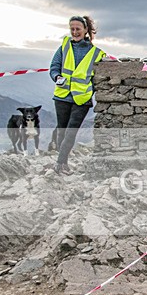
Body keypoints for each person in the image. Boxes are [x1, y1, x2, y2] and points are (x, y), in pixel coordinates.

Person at [49, 15, 105, 175]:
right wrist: (56, 77)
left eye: (78, 29)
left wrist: (91, 90)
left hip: (82, 99)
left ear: (86, 30)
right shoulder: (64, 47)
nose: (74, 32)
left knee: (71, 131)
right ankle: (63, 162)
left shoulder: (96, 53)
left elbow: (98, 77)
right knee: (61, 130)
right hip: (62, 95)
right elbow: (54, 67)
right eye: (72, 29)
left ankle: (59, 164)